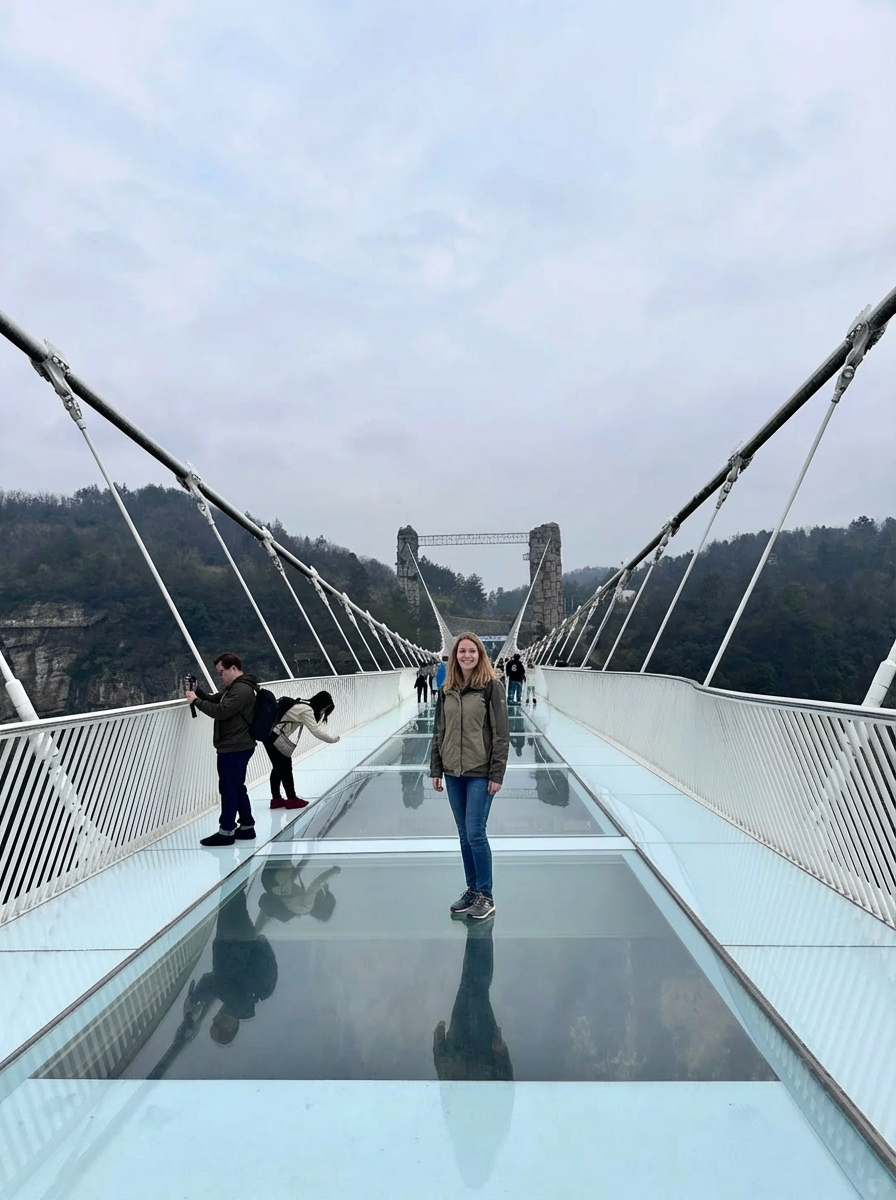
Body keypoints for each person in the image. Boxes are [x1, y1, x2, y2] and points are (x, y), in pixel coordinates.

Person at [430, 632, 509, 922]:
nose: (466, 656)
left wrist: (496, 773)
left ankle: (486, 896)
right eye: (461, 651)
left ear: (480, 655)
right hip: (453, 772)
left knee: (476, 832)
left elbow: (501, 734)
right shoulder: (446, 688)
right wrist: (436, 769)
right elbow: (439, 731)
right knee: (464, 835)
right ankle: (472, 891)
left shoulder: (491, 687)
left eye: (471, 651)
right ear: (455, 656)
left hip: (480, 771)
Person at [187, 652, 259, 847]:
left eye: (221, 672)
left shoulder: (241, 689)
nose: (220, 677)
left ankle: (226, 831)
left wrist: (195, 701)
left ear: (233, 668)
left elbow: (221, 711)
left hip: (234, 746)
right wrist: (198, 692)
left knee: (228, 789)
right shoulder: (239, 688)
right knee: (237, 786)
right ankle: (246, 826)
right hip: (239, 744)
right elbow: (218, 700)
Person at [265, 691, 339, 810]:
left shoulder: (301, 704)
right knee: (286, 767)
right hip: (276, 737)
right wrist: (332, 740)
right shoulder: (306, 710)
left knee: (278, 768)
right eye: (324, 709)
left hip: (269, 735)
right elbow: (316, 731)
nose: (322, 712)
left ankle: (276, 799)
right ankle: (291, 799)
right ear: (322, 705)